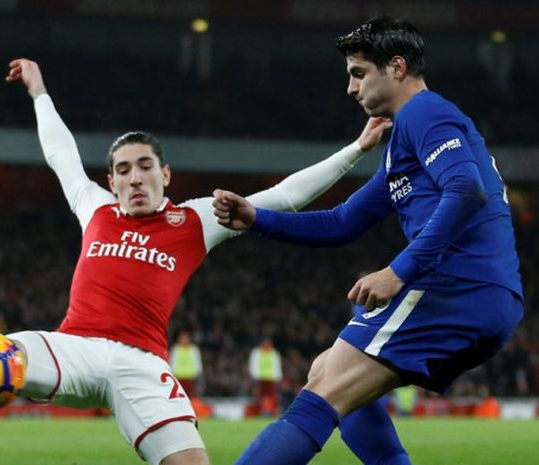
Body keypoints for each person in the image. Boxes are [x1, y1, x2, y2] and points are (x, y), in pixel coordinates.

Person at [0, 58, 390, 465]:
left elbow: (286, 196)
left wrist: (358, 148)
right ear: (112, 181)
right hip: (74, 347)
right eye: (122, 169)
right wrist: (39, 92)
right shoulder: (96, 208)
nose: (133, 177)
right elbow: (59, 156)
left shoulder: (196, 220)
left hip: (143, 365)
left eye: (144, 166)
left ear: (165, 175)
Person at [213, 16, 524, 465]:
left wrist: (399, 271)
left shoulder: (424, 111)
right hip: (483, 295)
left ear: (396, 68)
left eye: (358, 73)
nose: (351, 88)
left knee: (323, 392)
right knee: (326, 371)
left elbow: (465, 189)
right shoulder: (401, 145)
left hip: (456, 287)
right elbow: (342, 222)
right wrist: (258, 218)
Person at [248, 338, 282, 416]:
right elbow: (253, 364)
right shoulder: (257, 352)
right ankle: (258, 412)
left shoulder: (274, 353)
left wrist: (278, 377)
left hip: (271, 378)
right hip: (260, 378)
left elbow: (277, 366)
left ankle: (272, 412)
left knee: (272, 397)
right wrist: (254, 376)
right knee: (258, 397)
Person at [169, 330, 203, 399]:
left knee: (192, 397)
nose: (184, 340)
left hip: (191, 378)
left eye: (186, 338)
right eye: (182, 338)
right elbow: (172, 362)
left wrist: (198, 373)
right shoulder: (175, 349)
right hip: (178, 378)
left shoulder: (194, 349)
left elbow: (197, 362)